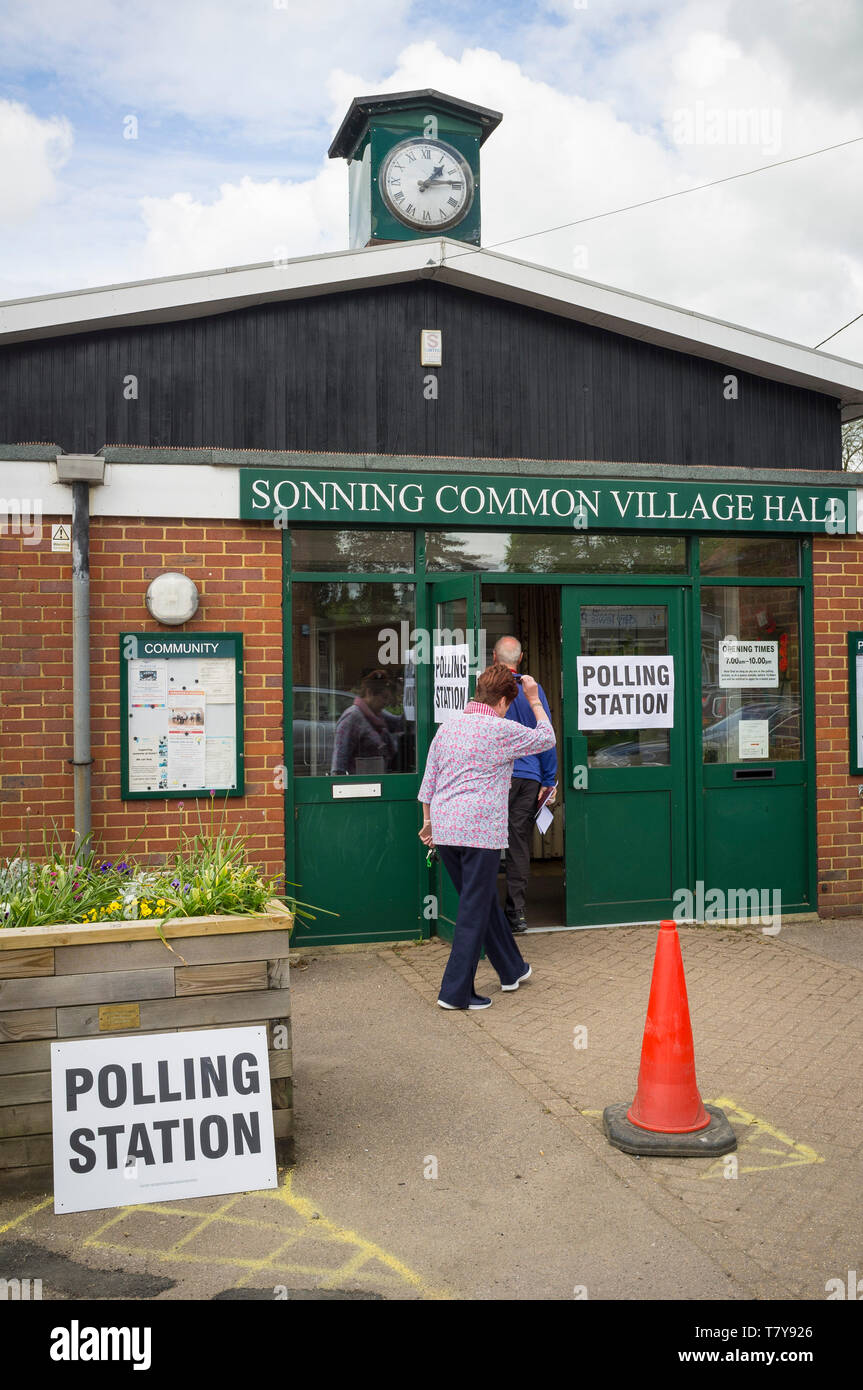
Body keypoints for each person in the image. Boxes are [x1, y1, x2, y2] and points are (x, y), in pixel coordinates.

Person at [418, 664, 556, 1011]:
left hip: (447, 829)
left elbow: (429, 780)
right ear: (504, 701)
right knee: (472, 911)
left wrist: (428, 823)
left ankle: (512, 969)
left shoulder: (448, 727)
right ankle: (454, 992)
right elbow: (546, 738)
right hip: (480, 832)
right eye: (511, 702)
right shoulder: (501, 729)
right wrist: (535, 699)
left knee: (478, 903)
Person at [493, 636, 558, 934]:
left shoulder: (488, 688)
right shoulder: (533, 690)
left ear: (495, 657)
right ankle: (516, 914)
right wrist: (548, 780)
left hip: (498, 775)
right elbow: (546, 735)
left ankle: (485, 914)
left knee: (488, 841)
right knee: (518, 843)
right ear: (520, 659)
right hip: (529, 777)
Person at [331, 670, 399, 775]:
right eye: (384, 697)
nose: (386, 703)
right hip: (361, 785)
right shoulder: (352, 718)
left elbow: (400, 723)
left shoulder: (378, 715)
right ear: (369, 693)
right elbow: (339, 763)